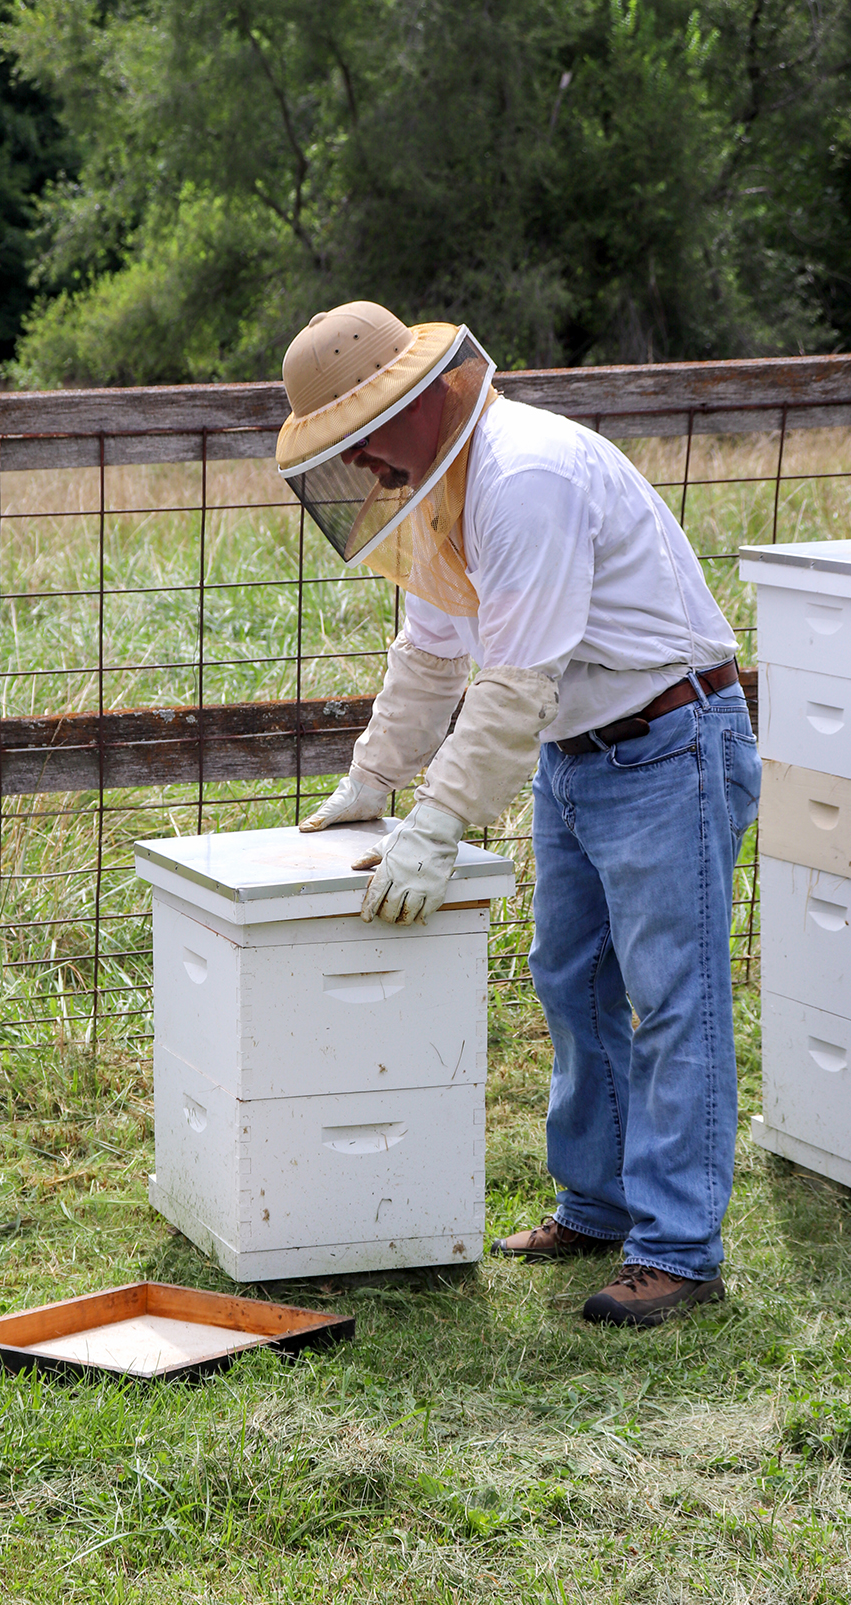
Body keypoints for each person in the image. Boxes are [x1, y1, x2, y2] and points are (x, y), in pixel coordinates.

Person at [276, 301, 761, 1328]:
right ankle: (599, 1204)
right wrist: (374, 783)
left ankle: (677, 1250)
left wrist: (437, 824)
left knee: (675, 998)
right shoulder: (442, 495)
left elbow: (514, 685)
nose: (359, 462)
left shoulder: (523, 478)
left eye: (360, 432)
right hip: (580, 757)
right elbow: (433, 657)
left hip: (667, 743)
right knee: (572, 981)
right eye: (339, 446)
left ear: (417, 398)